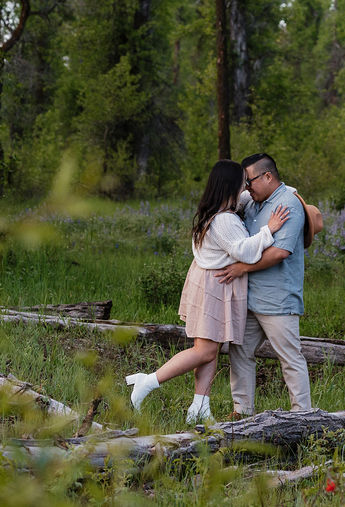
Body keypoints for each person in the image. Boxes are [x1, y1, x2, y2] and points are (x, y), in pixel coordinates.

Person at [124, 160, 289, 425]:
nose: (246, 188)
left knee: (210, 349)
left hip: (212, 283)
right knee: (204, 351)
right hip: (215, 286)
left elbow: (247, 197)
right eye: (242, 183)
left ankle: (200, 406)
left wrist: (284, 190)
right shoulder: (224, 220)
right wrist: (269, 229)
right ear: (230, 187)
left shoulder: (219, 210)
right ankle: (148, 382)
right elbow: (245, 251)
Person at [216, 153, 312, 416]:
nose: (247, 187)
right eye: (245, 183)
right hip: (249, 297)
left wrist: (242, 268)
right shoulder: (253, 202)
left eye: (250, 181)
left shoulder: (287, 204)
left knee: (290, 358)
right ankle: (242, 410)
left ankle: (302, 415)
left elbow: (281, 251)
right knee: (239, 351)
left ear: (267, 176)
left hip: (278, 299)